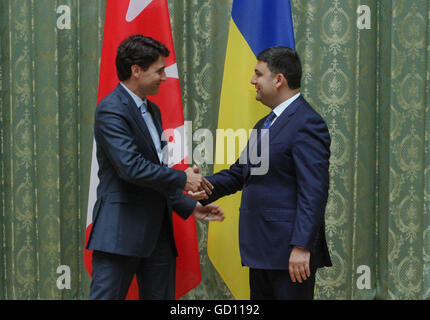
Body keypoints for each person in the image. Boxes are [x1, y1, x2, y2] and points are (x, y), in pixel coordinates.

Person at [86, 34, 224, 300]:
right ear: (136, 71)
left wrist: (190, 206)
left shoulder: (154, 111)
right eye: (159, 70)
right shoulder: (111, 110)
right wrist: (183, 179)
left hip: (158, 235)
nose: (164, 77)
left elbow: (156, 169)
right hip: (119, 232)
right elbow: (131, 168)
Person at [194, 46, 331, 299]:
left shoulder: (307, 122)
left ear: (279, 80)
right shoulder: (264, 124)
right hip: (261, 250)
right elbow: (240, 174)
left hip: (289, 254)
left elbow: (314, 191)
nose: (252, 80)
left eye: (258, 74)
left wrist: (301, 246)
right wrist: (198, 187)